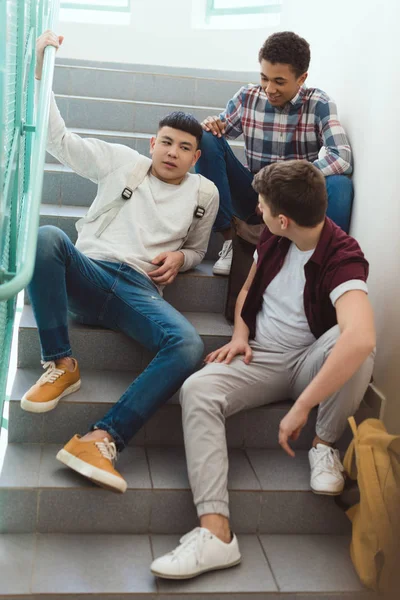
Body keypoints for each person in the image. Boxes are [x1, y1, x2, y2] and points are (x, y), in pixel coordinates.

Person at [150, 160, 376, 580]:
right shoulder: (273, 236)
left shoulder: (343, 254)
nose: (258, 208)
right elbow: (249, 288)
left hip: (312, 361)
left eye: (262, 204)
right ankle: (216, 534)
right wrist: (240, 332)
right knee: (197, 390)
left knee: (359, 346)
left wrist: (303, 407)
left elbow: (360, 338)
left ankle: (324, 445)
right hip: (262, 357)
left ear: (284, 218)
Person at [21, 31, 219, 493]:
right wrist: (39, 71)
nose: (172, 152)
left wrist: (181, 257)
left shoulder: (204, 193)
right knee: (47, 236)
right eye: (166, 142)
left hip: (139, 291)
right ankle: (61, 363)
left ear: (197, 156)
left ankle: (101, 437)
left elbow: (198, 249)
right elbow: (57, 138)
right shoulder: (119, 162)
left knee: (188, 345)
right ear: (152, 143)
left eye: (184, 147)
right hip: (89, 274)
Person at [197, 31, 353, 276]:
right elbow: (220, 131)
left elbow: (342, 157)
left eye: (279, 81)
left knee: (340, 186)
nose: (269, 89)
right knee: (204, 138)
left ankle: (324, 264)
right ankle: (230, 240)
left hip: (295, 197)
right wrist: (212, 125)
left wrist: (284, 183)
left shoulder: (319, 104)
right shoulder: (247, 97)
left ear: (302, 78)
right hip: (252, 194)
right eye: (264, 78)